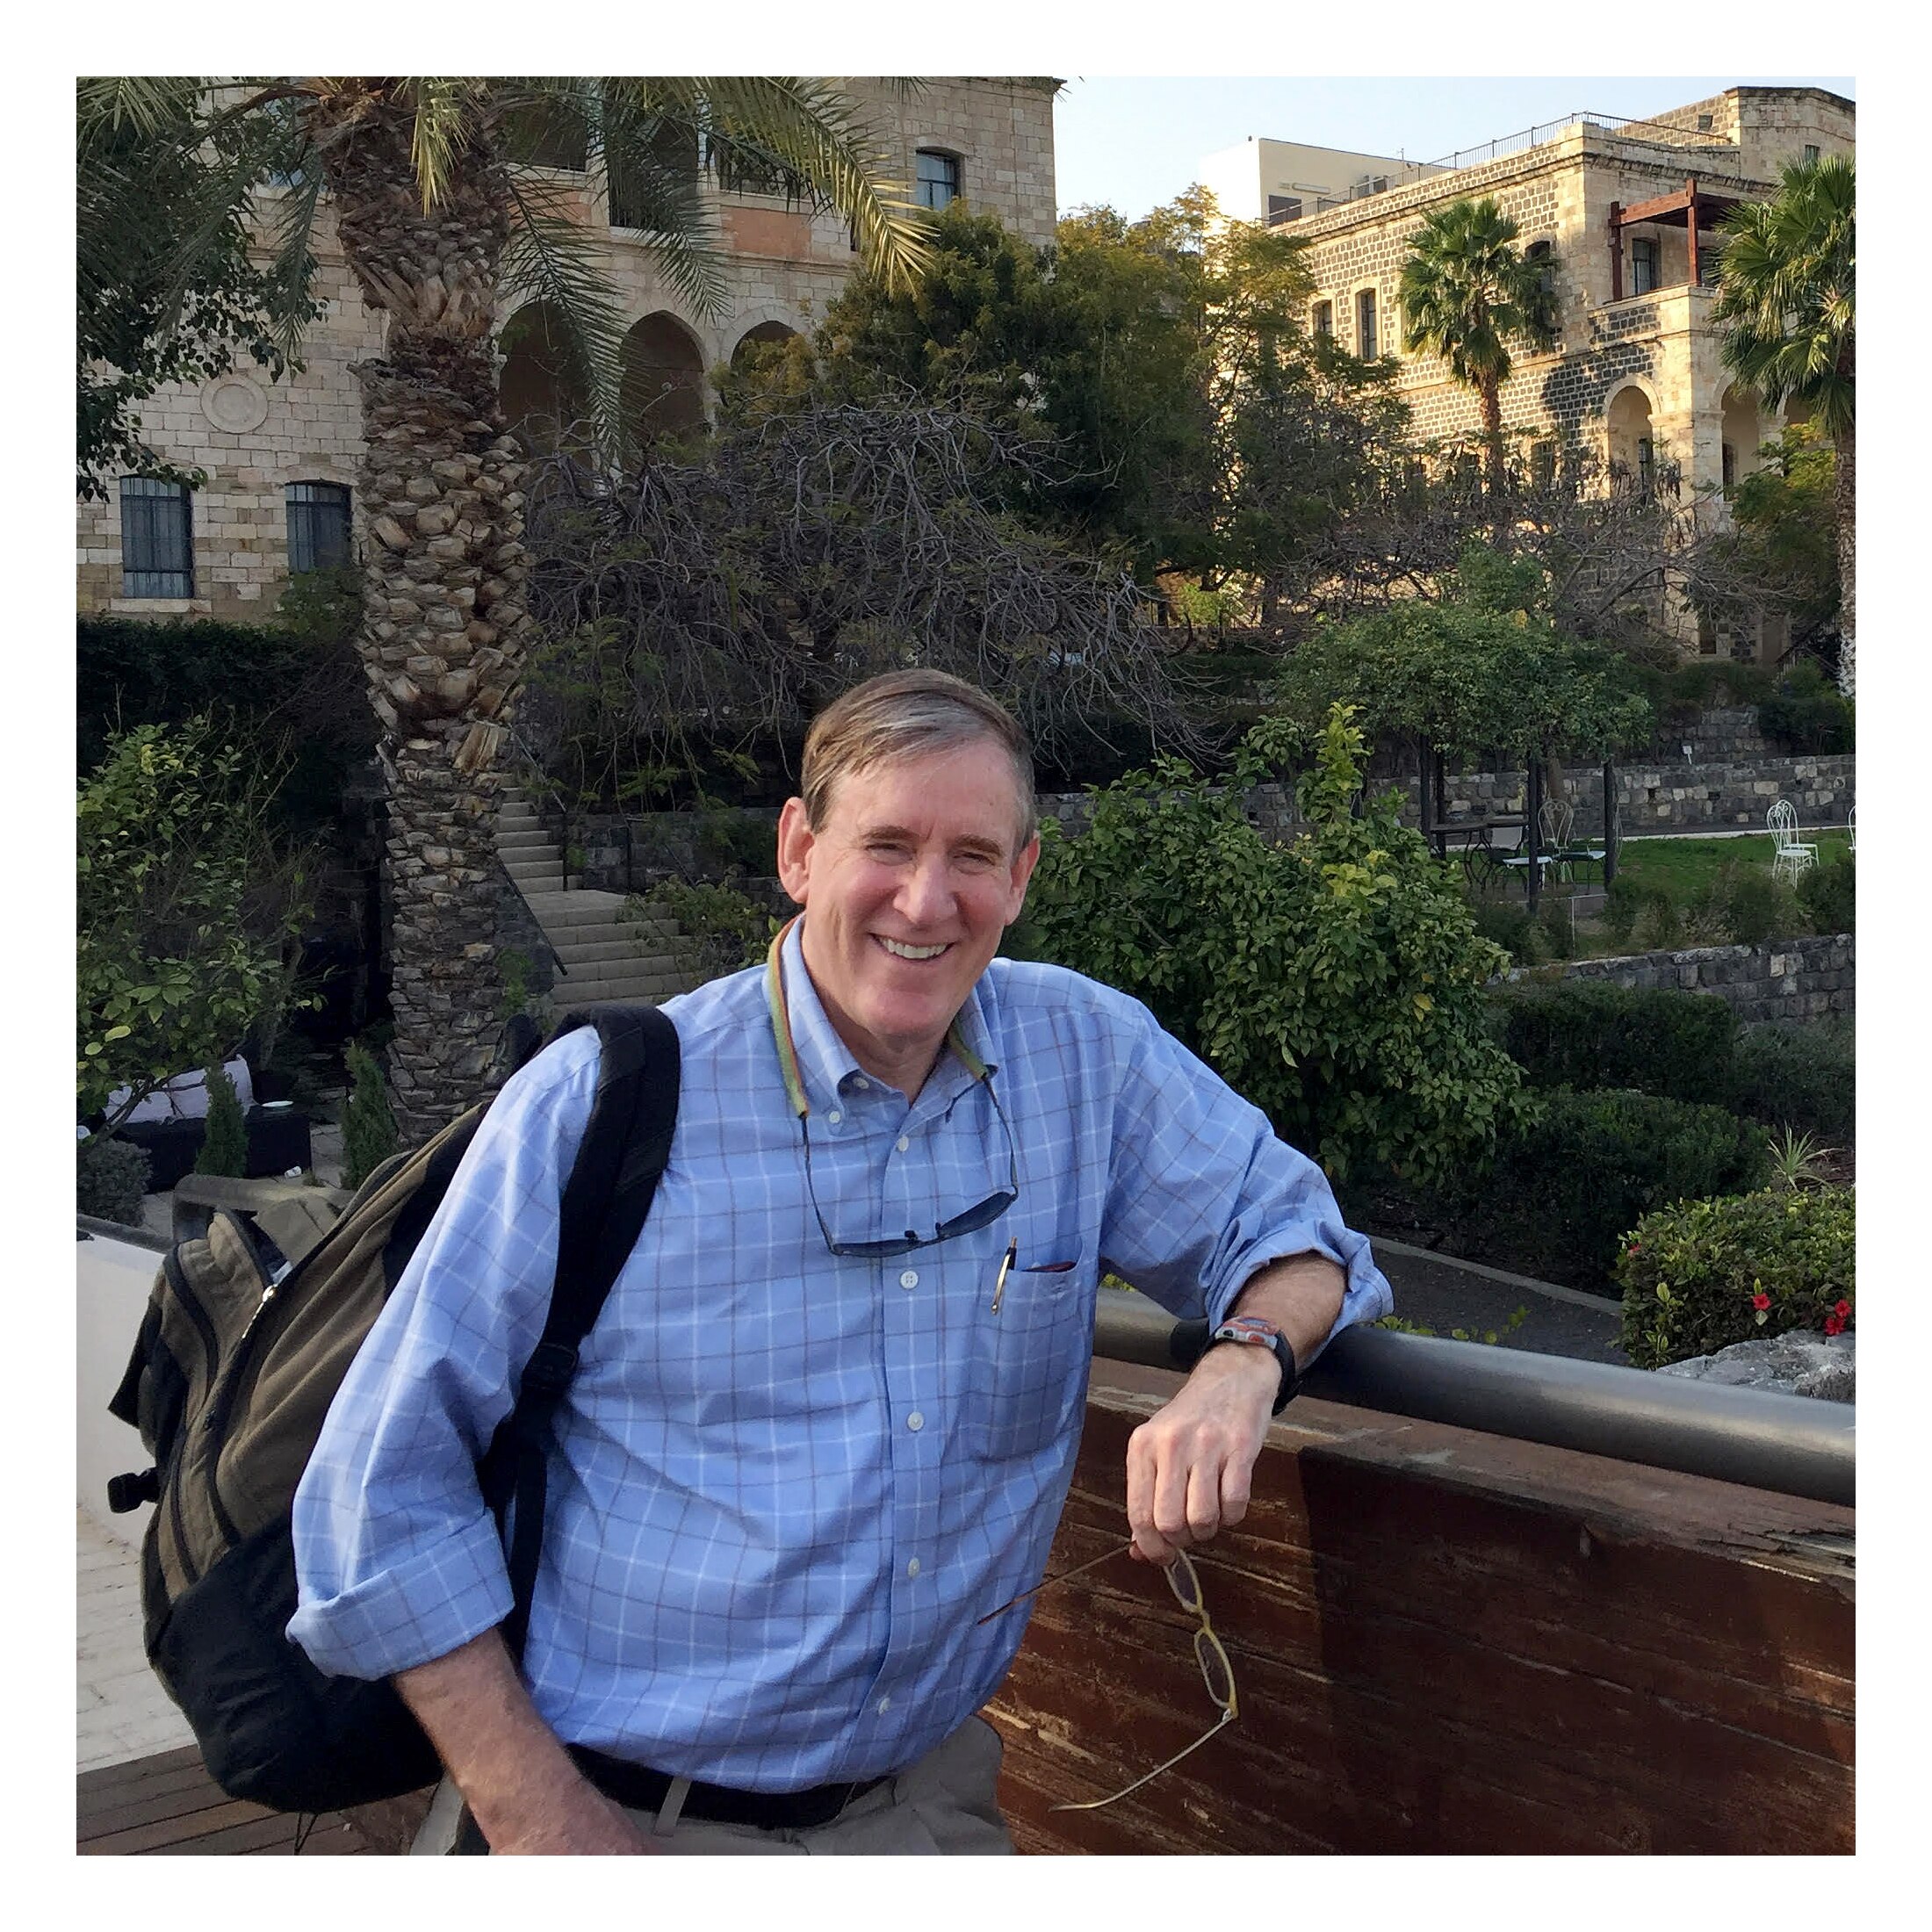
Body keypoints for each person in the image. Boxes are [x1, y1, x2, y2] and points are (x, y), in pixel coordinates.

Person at [290, 669, 1392, 1855]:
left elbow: (1298, 1235)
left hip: (927, 1811)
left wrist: (1241, 1366)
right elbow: (377, 1494)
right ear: (799, 851)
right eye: (888, 845)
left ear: (1022, 878)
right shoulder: (598, 1107)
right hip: (621, 1820)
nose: (925, 901)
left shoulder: (1087, 1060)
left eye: (973, 854)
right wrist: (544, 1825)